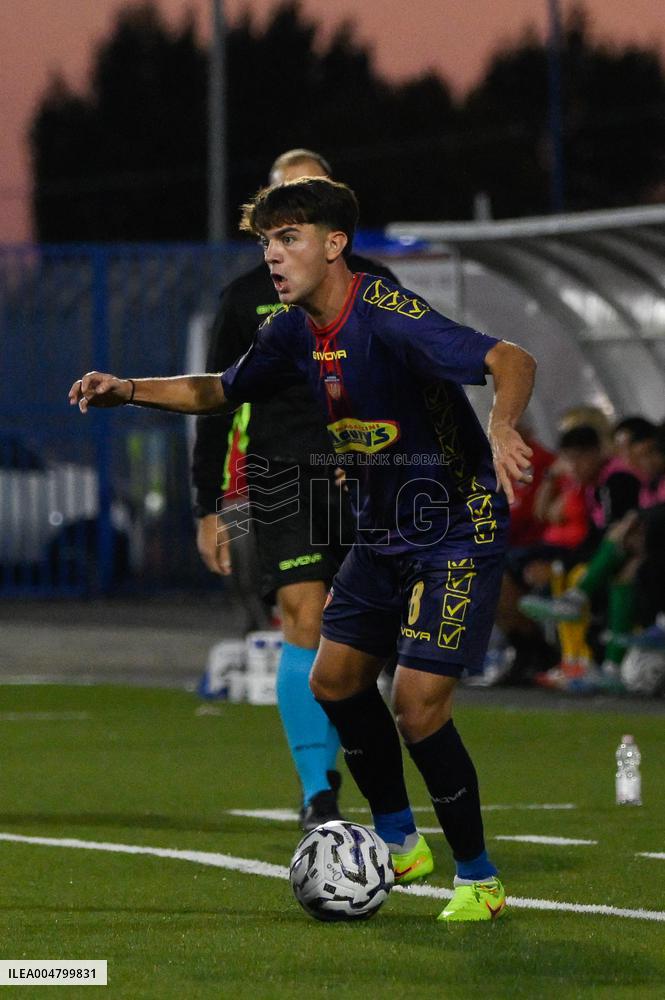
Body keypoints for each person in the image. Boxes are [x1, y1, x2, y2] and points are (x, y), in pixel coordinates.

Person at [69, 177, 536, 922]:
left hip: (454, 525)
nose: (273, 257)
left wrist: (504, 425)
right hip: (381, 531)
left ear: (333, 244)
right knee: (335, 682)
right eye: (265, 242)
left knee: (417, 707)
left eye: (288, 239)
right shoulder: (290, 331)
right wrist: (127, 389)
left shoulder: (386, 314)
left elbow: (508, 357)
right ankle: (398, 838)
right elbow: (218, 390)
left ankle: (478, 878)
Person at [192, 148, 399, 831]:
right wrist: (209, 506)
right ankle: (318, 791)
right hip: (283, 475)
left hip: (369, 475)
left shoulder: (377, 285)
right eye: (282, 204)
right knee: (301, 618)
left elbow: (412, 381)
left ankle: (391, 792)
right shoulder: (245, 297)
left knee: (373, 636)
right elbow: (215, 400)